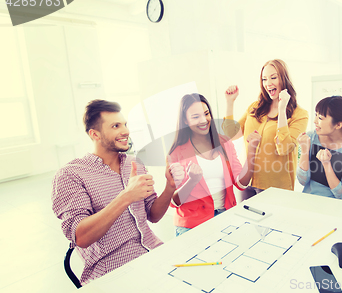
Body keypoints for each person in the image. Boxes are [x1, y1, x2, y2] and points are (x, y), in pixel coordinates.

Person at [52, 99, 176, 285]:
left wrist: (170, 186)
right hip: (111, 271)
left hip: (154, 253)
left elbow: (153, 215)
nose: (125, 131)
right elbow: (81, 237)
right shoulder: (71, 174)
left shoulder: (135, 163)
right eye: (116, 126)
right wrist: (126, 197)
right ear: (95, 134)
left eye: (125, 124)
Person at [168, 93, 260, 236]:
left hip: (224, 219)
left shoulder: (224, 143)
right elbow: (174, 201)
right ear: (185, 121)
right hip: (191, 226)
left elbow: (241, 183)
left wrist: (252, 151)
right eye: (196, 117)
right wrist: (192, 181)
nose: (204, 120)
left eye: (206, 113)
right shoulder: (177, 152)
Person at [223, 59, 308, 200]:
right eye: (264, 79)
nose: (268, 83)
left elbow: (284, 148)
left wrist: (281, 110)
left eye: (273, 77)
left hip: (276, 188)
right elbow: (230, 135)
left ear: (284, 79)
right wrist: (229, 102)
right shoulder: (255, 107)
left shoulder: (299, 114)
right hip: (247, 182)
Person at [296, 96, 342, 200]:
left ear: (338, 125)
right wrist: (304, 150)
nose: (315, 121)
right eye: (315, 115)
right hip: (309, 202)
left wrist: (326, 164)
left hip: (336, 208)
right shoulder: (310, 137)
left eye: (320, 118)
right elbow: (302, 181)